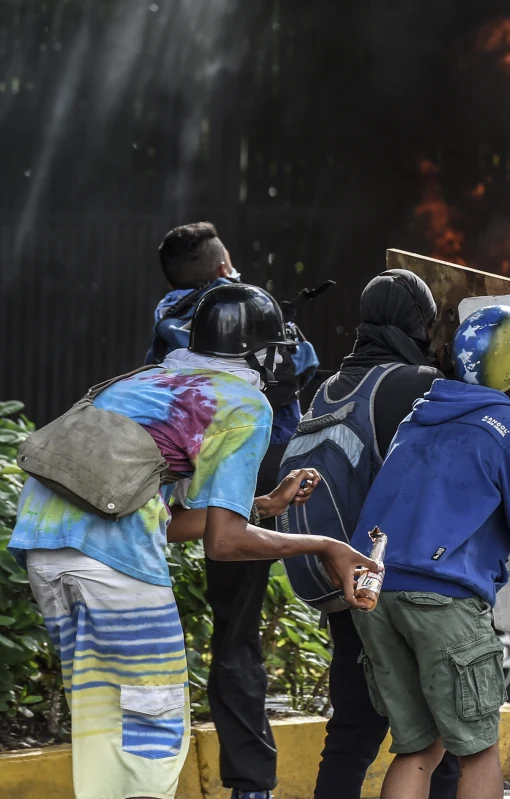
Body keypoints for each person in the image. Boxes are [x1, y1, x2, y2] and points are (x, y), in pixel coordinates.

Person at [8, 284, 377, 799]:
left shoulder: (150, 379)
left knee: (104, 723)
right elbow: (224, 544)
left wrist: (263, 507)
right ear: (263, 352)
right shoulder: (244, 401)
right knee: (152, 726)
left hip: (45, 550)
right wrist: (325, 546)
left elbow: (158, 516)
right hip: (113, 568)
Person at [350, 304, 510, 799]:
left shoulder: (421, 416)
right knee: (478, 751)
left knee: (418, 747)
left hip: (376, 594)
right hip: (441, 602)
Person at [146, 222, 320, 799]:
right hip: (251, 471)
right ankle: (251, 784)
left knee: (220, 633)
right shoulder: (251, 315)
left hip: (172, 488)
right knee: (238, 640)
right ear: (224, 270)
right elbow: (303, 369)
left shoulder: (167, 325)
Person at [282, 269, 460, 799]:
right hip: (399, 579)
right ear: (419, 322)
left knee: (353, 730)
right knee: (438, 736)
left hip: (341, 579)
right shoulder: (414, 385)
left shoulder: (329, 388)